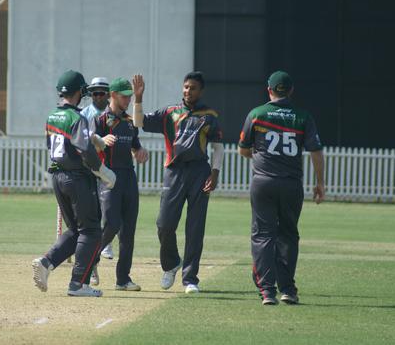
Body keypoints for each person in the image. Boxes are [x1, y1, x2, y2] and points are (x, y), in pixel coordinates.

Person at [132, 71, 225, 294]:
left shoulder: (209, 114)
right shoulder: (170, 112)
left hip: (199, 172)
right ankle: (171, 263)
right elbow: (139, 122)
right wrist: (138, 98)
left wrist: (215, 172)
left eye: (192, 88)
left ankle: (190, 278)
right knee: (164, 225)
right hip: (173, 172)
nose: (188, 91)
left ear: (200, 90)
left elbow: (218, 147)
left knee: (195, 228)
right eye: (185, 87)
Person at [238, 70, 325, 305]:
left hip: (263, 183)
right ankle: (288, 289)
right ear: (291, 91)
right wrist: (320, 183)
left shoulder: (257, 114)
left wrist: (258, 152)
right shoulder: (303, 116)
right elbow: (315, 152)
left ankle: (267, 291)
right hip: (291, 184)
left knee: (263, 235)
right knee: (288, 235)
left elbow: (243, 149)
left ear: (269, 89)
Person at [31, 70, 116, 297]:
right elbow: (85, 149)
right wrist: (103, 171)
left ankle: (46, 262)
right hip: (77, 178)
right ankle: (78, 284)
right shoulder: (77, 118)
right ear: (79, 92)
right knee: (90, 231)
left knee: (77, 231)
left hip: (57, 176)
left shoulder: (52, 116)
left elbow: (50, 145)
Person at [90, 76, 149, 291]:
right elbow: (89, 147)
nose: (128, 100)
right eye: (124, 97)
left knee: (128, 231)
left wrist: (141, 152)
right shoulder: (100, 120)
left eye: (130, 97)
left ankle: (122, 279)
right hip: (108, 178)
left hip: (129, 177)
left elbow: (136, 146)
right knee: (112, 224)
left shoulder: (129, 121)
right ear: (113, 95)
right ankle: (91, 261)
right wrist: (100, 142)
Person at [81, 77, 116, 262]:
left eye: (101, 93)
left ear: (108, 94)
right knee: (92, 205)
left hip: (109, 164)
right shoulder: (85, 113)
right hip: (90, 164)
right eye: (94, 93)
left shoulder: (113, 112)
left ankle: (107, 243)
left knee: (108, 206)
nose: (98, 96)